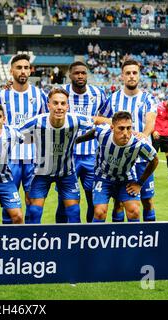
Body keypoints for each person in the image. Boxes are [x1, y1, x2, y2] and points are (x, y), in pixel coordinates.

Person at [19, 88, 106, 224]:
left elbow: (96, 121)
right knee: (34, 212)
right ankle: (33, 243)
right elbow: (13, 134)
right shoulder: (36, 122)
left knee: (74, 212)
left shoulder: (75, 120)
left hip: (66, 174)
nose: (59, 107)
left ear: (67, 106)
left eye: (62, 103)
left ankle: (73, 243)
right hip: (41, 173)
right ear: (49, 105)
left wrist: (114, 122)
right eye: (55, 103)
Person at [76, 111, 159, 223]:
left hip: (126, 179)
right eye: (121, 128)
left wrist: (140, 183)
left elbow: (154, 160)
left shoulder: (138, 143)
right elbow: (94, 132)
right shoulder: (103, 133)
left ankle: (132, 239)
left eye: (129, 128)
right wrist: (76, 141)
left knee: (134, 211)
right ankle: (97, 239)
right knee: (100, 212)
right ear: (112, 128)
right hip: (103, 177)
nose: (125, 133)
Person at [102, 59, 158, 222]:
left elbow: (151, 120)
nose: (131, 76)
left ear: (139, 75)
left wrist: (144, 134)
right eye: (128, 73)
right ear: (122, 76)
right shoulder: (113, 99)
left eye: (134, 73)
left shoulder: (148, 98)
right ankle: (117, 240)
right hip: (120, 160)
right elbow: (105, 120)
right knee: (118, 202)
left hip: (142, 160)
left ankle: (148, 239)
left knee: (147, 201)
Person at [0, 53, 47, 224]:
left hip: (34, 158)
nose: (23, 71)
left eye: (26, 68)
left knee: (33, 204)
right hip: (9, 158)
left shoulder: (40, 95)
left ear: (30, 71)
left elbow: (46, 122)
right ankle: (7, 243)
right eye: (19, 68)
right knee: (9, 205)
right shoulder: (1, 95)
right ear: (11, 71)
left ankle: (30, 244)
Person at [55, 61, 107, 223]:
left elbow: (106, 119)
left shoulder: (98, 93)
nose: (80, 76)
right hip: (67, 157)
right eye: (76, 73)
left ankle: (88, 237)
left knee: (93, 200)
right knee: (64, 201)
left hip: (92, 156)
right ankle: (61, 237)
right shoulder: (62, 94)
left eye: (83, 73)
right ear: (69, 75)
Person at [152, 98, 168, 182]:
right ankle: (149, 176)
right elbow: (152, 119)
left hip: (167, 135)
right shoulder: (158, 107)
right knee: (152, 156)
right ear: (167, 105)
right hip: (157, 134)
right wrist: (154, 130)